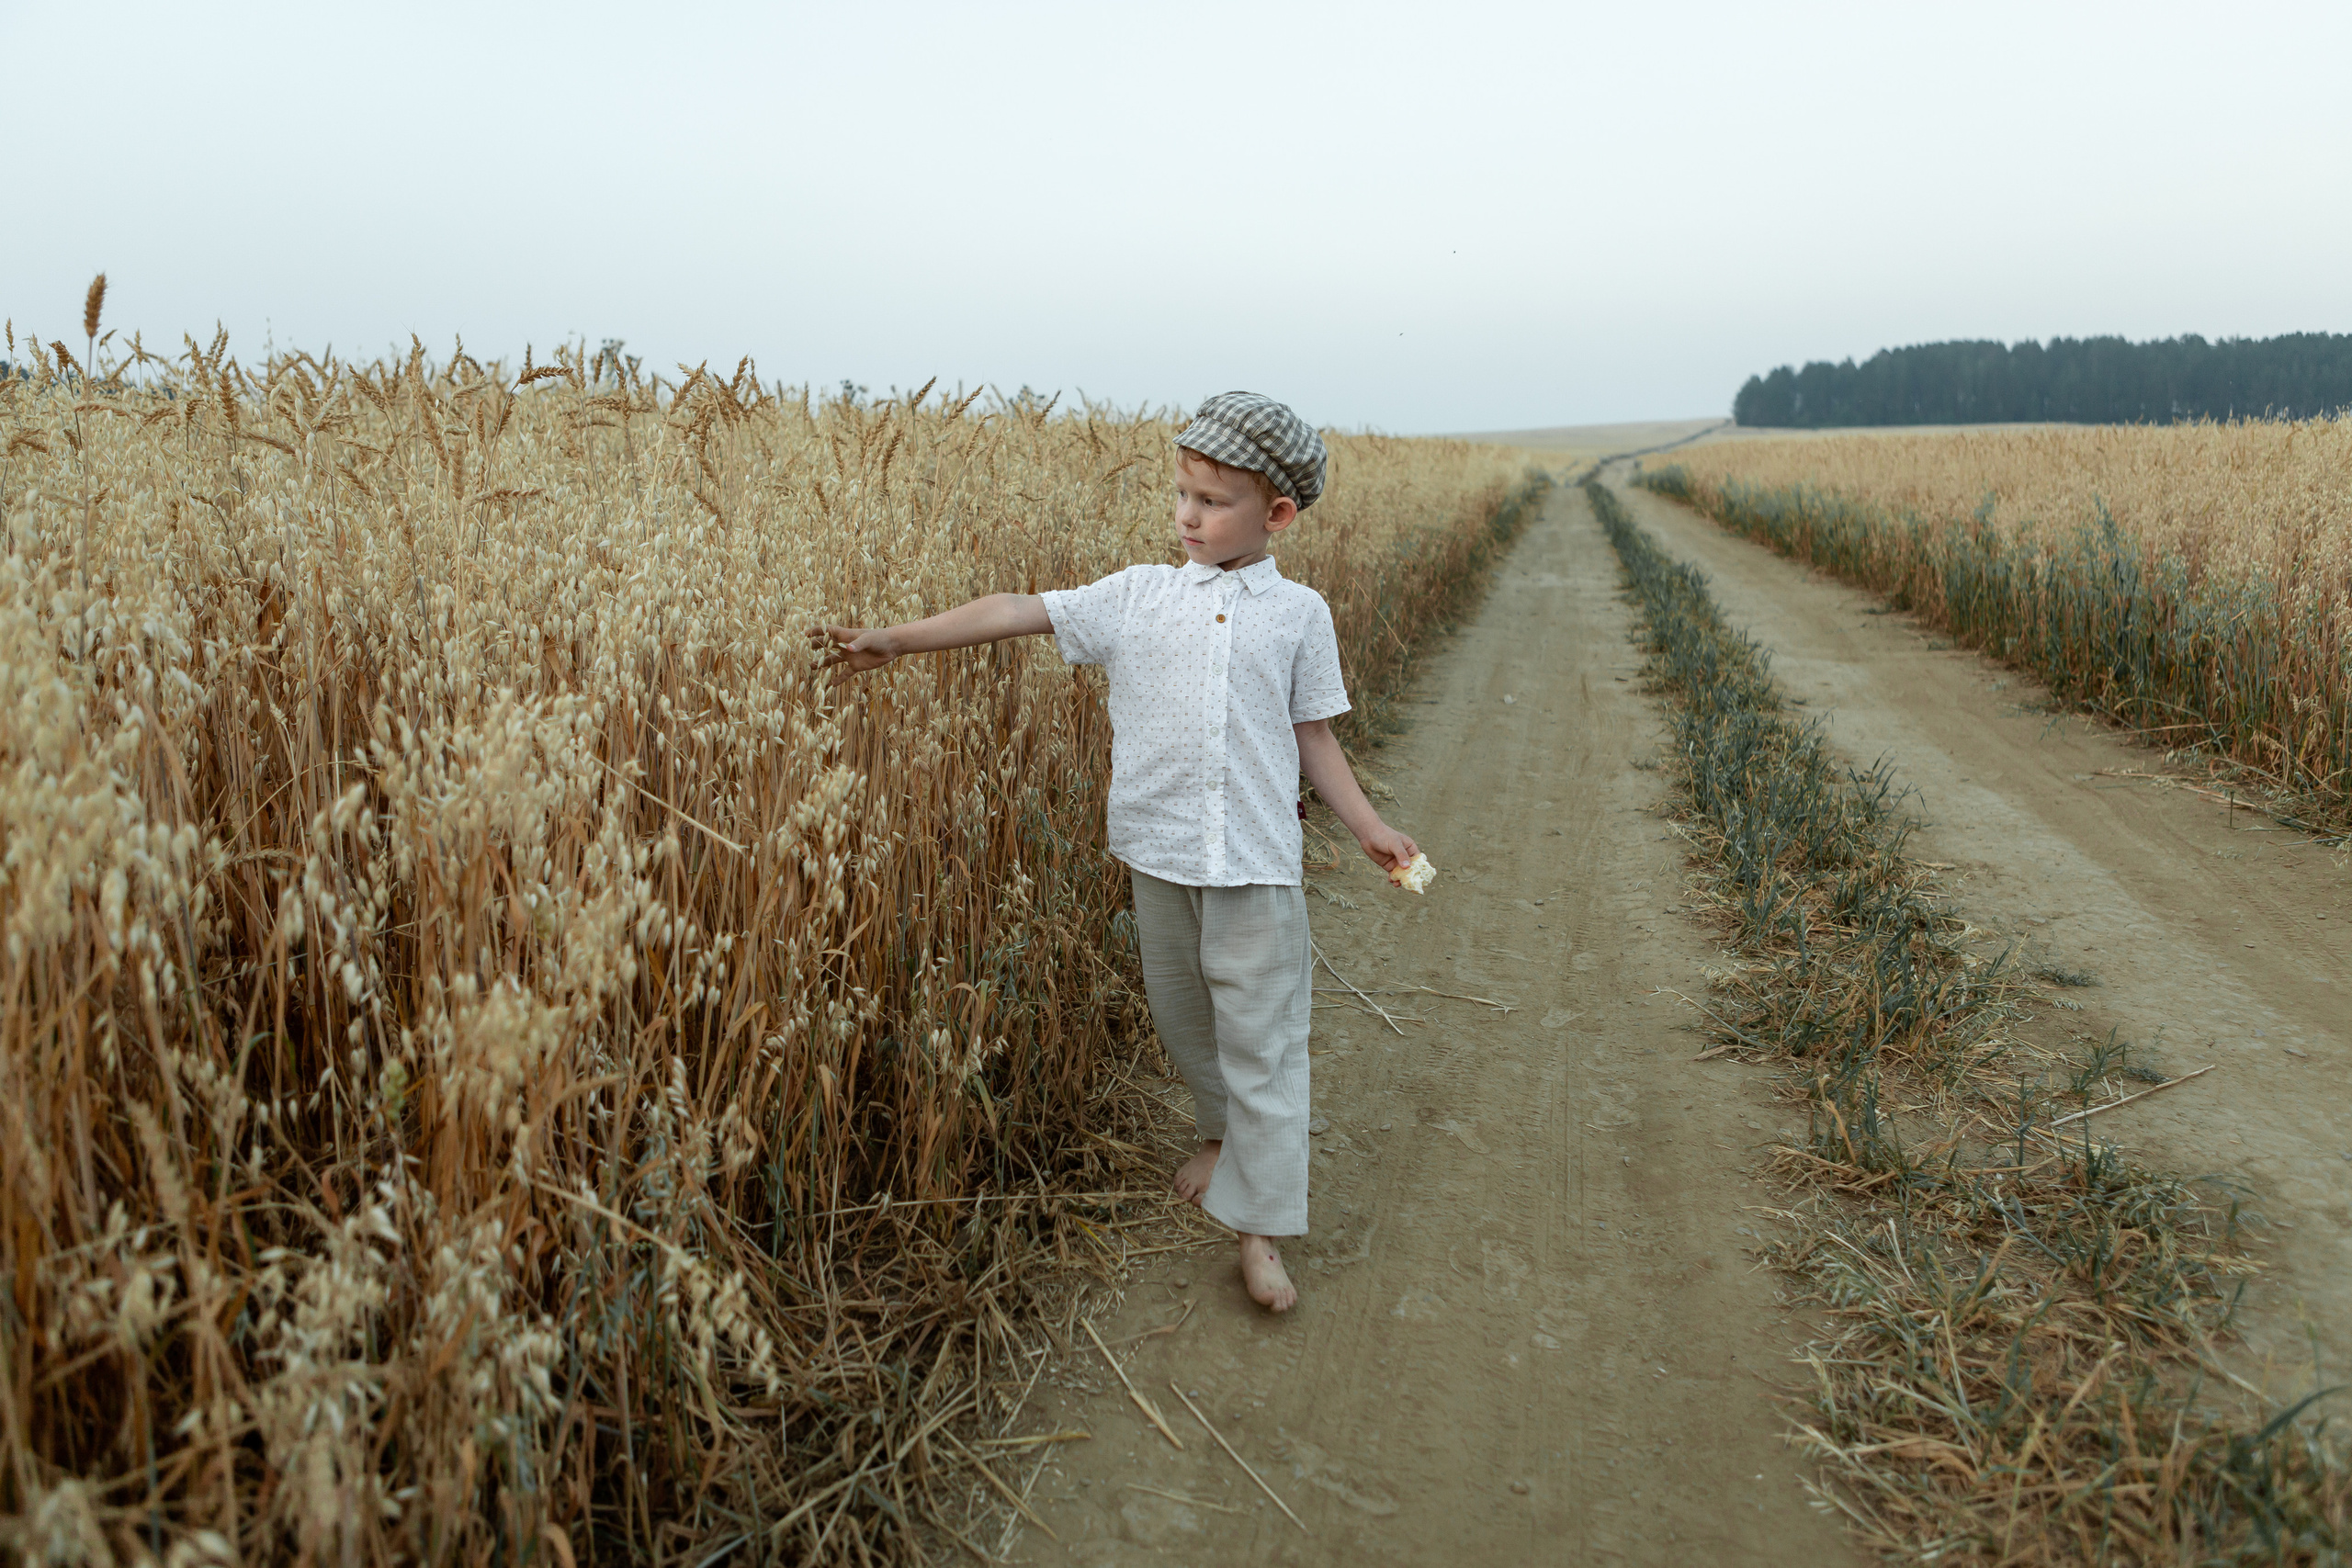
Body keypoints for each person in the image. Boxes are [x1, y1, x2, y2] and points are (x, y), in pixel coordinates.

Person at [809, 391, 1419, 1312]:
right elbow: (1018, 608)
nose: (1187, 515)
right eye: (1181, 494)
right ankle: (1219, 1135)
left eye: (1211, 501)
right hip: (1156, 856)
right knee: (1186, 1021)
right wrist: (898, 639)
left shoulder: (1300, 615)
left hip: (1254, 864)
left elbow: (1314, 737)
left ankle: (1258, 1228)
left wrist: (1368, 825)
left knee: (1262, 1042)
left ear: (1278, 514)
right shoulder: (1137, 596)